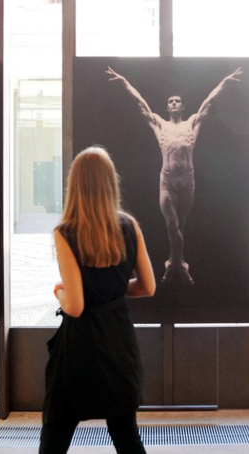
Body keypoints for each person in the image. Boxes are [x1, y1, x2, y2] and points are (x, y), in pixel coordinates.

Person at [39, 146, 155, 454]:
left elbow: (75, 305)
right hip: (118, 341)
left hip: (80, 347)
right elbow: (147, 287)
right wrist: (112, 289)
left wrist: (58, 291)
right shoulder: (129, 226)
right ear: (110, 183)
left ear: (75, 185)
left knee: (56, 432)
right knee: (126, 435)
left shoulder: (66, 232)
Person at [106, 66, 243, 285]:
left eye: (177, 101)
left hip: (188, 181)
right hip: (167, 182)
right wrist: (123, 81)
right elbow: (140, 102)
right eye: (170, 101)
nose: (173, 103)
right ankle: (178, 264)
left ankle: (173, 262)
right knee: (172, 225)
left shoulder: (192, 123)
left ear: (182, 106)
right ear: (167, 107)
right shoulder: (159, 124)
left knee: (181, 225)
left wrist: (225, 81)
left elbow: (209, 101)